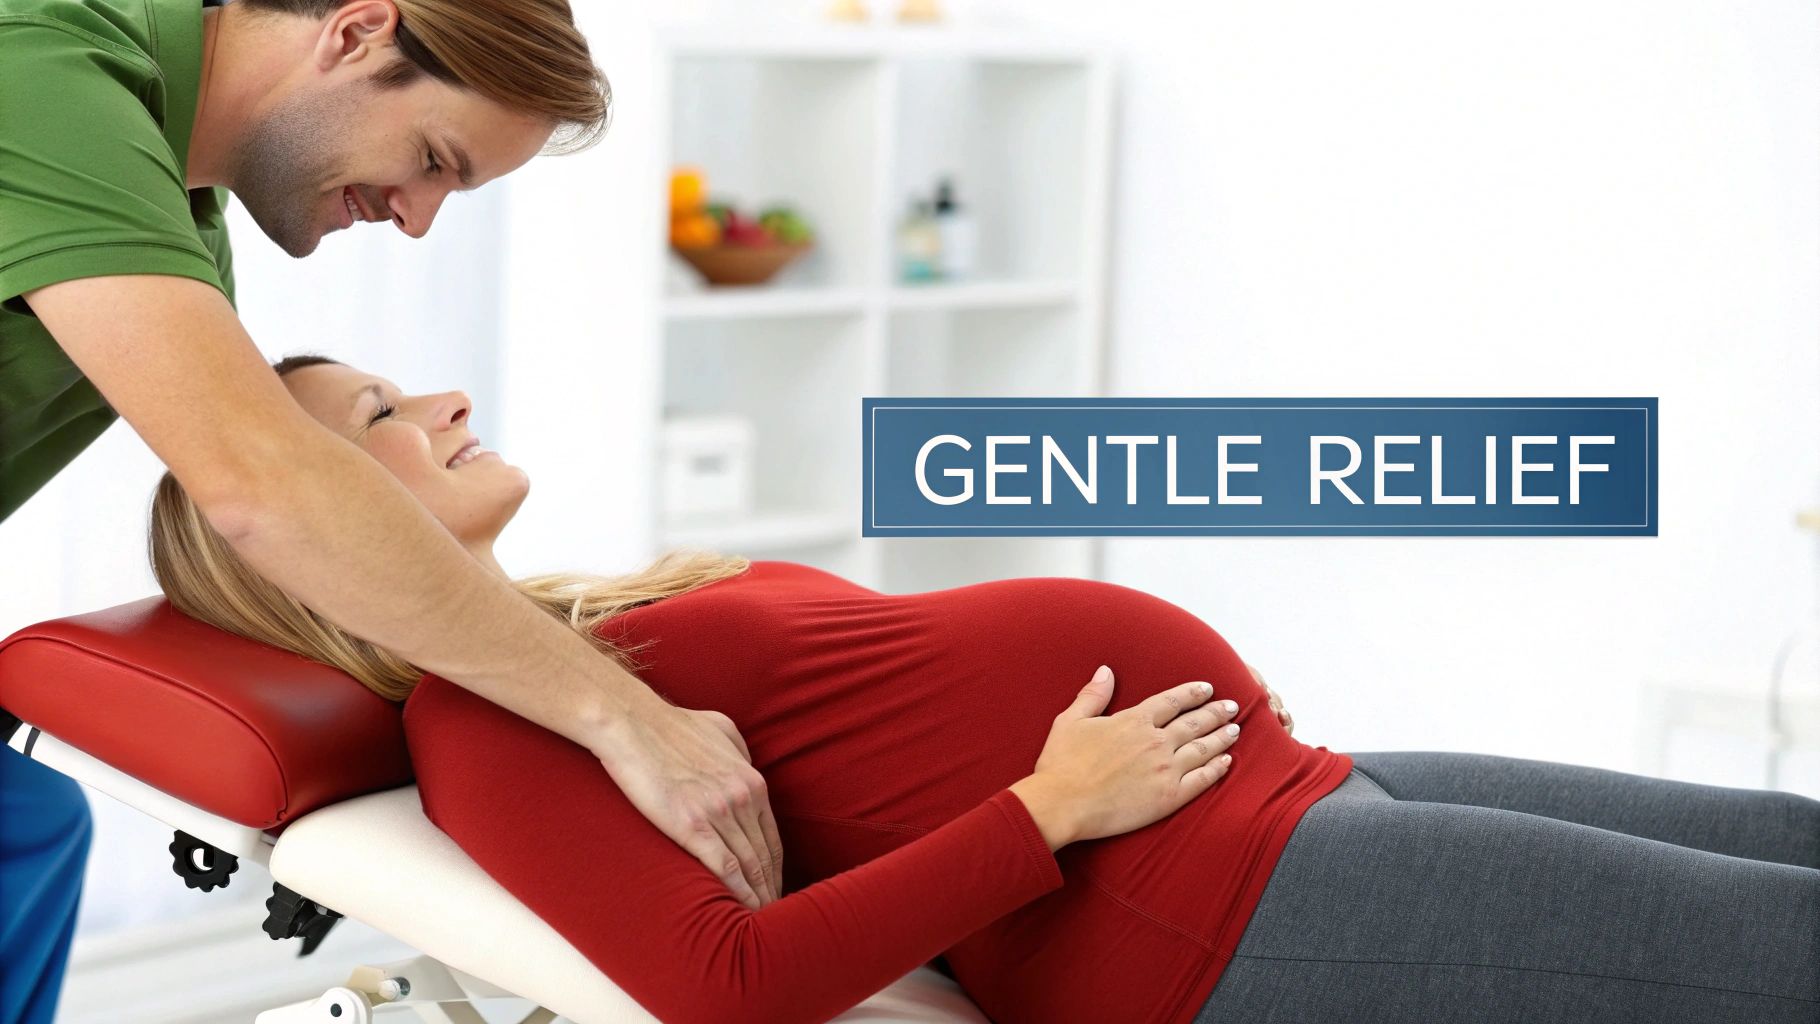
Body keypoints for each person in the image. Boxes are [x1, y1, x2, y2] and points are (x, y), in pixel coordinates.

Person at [150, 356, 1820, 1024]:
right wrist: (1050, 805)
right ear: (310, 520)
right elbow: (723, 983)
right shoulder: (481, 721)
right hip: (1207, 905)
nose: (437, 396)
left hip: (1285, 801)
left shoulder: (568, 624)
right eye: (380, 411)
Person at [0, 1, 775, 1018]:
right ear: (359, 30)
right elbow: (257, 484)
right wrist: (622, 715)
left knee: (30, 828)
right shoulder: (41, 72)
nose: (414, 217)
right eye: (433, 160)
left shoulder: (179, 227)